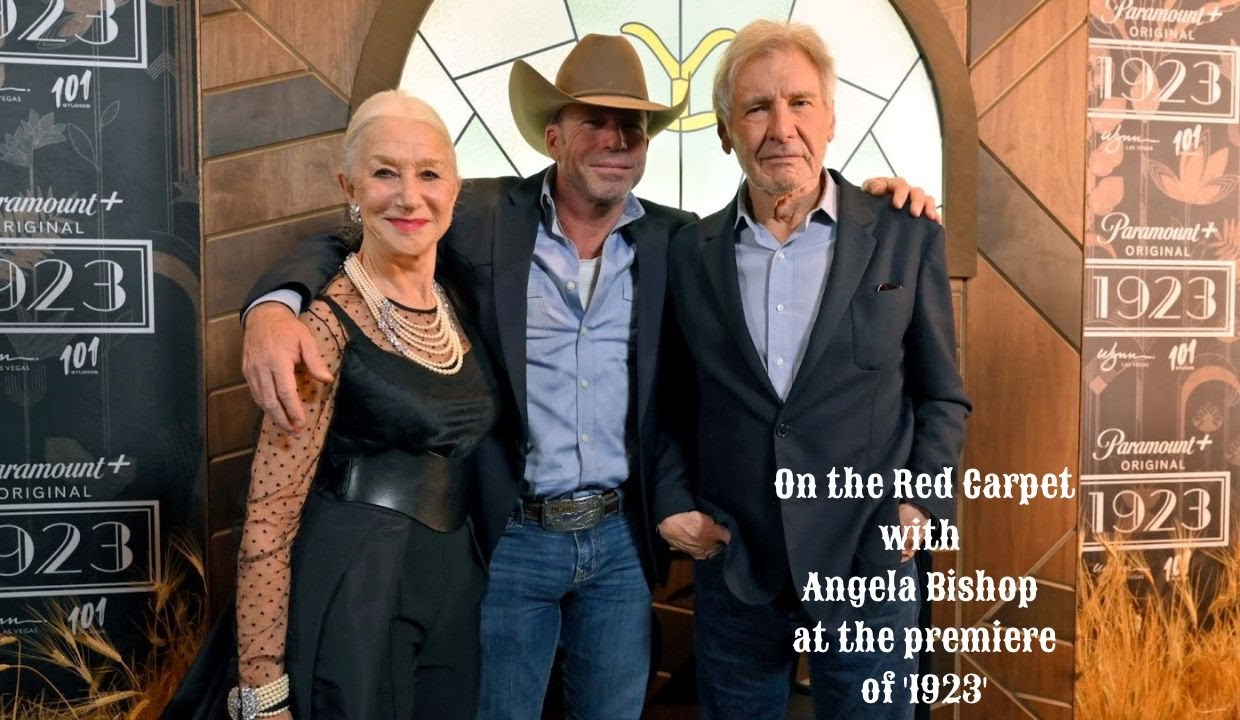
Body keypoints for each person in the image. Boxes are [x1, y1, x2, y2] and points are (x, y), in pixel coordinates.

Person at [239, 35, 937, 720]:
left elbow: (690, 393)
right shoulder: (479, 216)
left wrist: (886, 196)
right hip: (511, 539)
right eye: (594, 122)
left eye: (631, 126)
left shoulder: (679, 241)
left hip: (619, 546)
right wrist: (274, 305)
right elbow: (362, 227)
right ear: (552, 137)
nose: (615, 139)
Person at [654, 19, 971, 720]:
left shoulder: (904, 232)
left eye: (799, 102)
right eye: (757, 107)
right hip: (736, 565)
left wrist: (919, 503)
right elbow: (672, 401)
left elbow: (943, 395)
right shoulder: (689, 252)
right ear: (726, 130)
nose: (781, 126)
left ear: (830, 118)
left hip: (869, 558)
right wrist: (673, 499)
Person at [228, 90, 495, 720]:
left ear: (455, 189)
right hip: (358, 586)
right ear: (350, 185)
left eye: (429, 173)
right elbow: (268, 514)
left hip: (457, 583)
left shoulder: (461, 298)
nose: (409, 196)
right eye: (384, 173)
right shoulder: (318, 326)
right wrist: (261, 687)